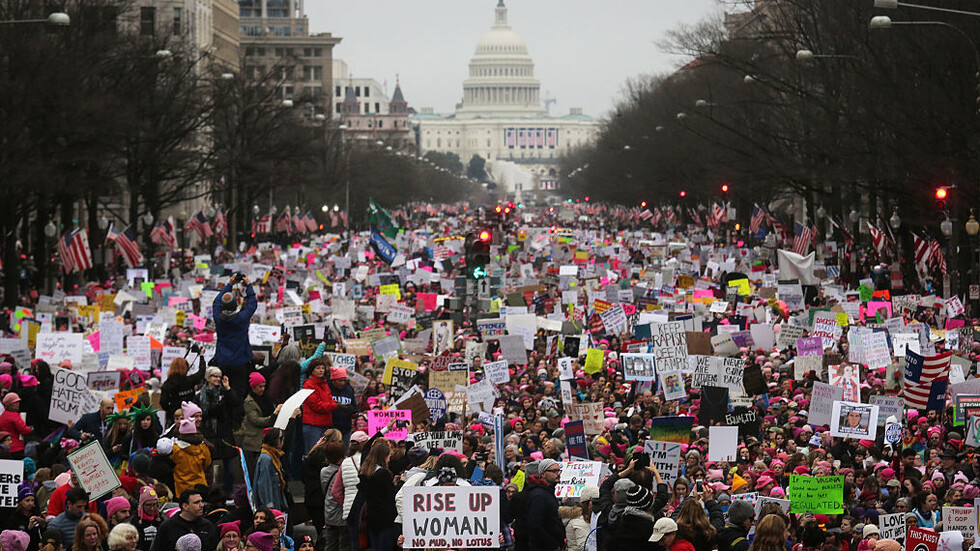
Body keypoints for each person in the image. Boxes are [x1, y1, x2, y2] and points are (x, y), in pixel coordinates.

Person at [211, 272, 257, 399]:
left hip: (223, 361)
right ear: (235, 306)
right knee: (239, 393)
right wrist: (248, 285)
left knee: (223, 393)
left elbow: (216, 303)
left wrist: (229, 284)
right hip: (240, 362)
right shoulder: (242, 318)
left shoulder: (218, 319)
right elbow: (252, 305)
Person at [196, 366, 239, 493]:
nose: (218, 379)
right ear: (208, 378)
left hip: (224, 433)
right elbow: (200, 414)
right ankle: (207, 492)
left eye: (219, 376)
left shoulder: (224, 393)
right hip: (208, 433)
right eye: (215, 376)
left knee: (228, 466)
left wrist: (228, 388)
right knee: (207, 466)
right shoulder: (200, 396)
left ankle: (228, 492)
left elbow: (236, 403)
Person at [355, 438, 396, 551]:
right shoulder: (383, 473)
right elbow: (390, 496)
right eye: (388, 456)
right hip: (385, 519)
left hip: (371, 517)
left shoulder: (365, 473)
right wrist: (399, 483)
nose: (389, 459)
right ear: (384, 456)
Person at [240, 373, 283, 477]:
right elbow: (256, 420)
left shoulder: (266, 399)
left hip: (266, 440)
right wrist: (274, 415)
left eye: (264, 386)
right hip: (254, 443)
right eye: (260, 386)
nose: (262, 389)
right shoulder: (249, 402)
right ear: (253, 387)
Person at [150, 489, 217, 551]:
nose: (202, 505)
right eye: (196, 502)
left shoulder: (207, 526)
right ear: (185, 506)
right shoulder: (167, 527)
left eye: (202, 501)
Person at [526, 458, 564, 551]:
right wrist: (553, 545)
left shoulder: (548, 493)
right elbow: (535, 525)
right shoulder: (539, 495)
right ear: (543, 474)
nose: (558, 473)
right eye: (554, 471)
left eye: (559, 470)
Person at [166, 418, 212, 496]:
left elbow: (170, 464)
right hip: (200, 485)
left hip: (181, 487)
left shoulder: (176, 449)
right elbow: (207, 463)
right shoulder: (203, 447)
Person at [301, 358, 337, 454]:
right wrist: (334, 406)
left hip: (324, 424)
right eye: (318, 368)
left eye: (322, 368)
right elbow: (316, 405)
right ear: (312, 370)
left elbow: (329, 400)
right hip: (313, 425)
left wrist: (333, 404)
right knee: (313, 453)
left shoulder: (324, 384)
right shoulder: (309, 384)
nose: (321, 370)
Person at [253, 428, 289, 511]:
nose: (283, 442)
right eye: (282, 439)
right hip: (271, 504)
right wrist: (269, 506)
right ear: (277, 441)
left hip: (277, 499)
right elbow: (264, 485)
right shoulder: (266, 459)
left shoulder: (274, 455)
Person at [327, 367, 357, 447]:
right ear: (333, 380)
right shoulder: (327, 389)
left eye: (344, 380)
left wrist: (354, 412)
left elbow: (354, 406)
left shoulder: (349, 389)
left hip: (346, 428)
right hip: (331, 428)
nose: (342, 383)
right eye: (340, 380)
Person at [0, 393, 31, 458]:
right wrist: (30, 429)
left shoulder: (2, 416)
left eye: (18, 402)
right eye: (15, 402)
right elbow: (25, 430)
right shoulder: (14, 416)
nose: (18, 404)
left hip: (6, 447)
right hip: (17, 447)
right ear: (9, 405)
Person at [133, 486, 163, 551]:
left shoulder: (161, 519)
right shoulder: (134, 521)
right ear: (142, 505)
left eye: (154, 504)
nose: (152, 508)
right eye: (148, 505)